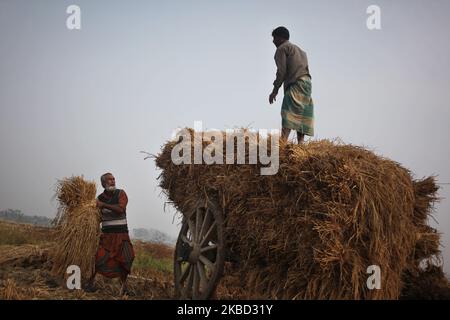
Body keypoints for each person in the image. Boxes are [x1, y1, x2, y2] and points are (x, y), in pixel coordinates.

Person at [85, 172, 135, 295]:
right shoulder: (99, 199)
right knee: (98, 258)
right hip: (107, 236)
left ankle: (124, 287)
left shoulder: (121, 194)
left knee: (127, 258)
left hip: (122, 235)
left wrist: (103, 205)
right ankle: (89, 283)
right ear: (103, 183)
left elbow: (120, 209)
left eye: (113, 179)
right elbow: (96, 217)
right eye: (109, 180)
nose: (112, 181)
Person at [269, 26, 315, 143]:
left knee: (288, 111)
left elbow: (281, 71)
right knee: (302, 113)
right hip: (307, 84)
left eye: (274, 38)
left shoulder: (282, 49)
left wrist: (275, 90)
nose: (273, 41)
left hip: (295, 83)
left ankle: (283, 142)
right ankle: (300, 144)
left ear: (280, 38)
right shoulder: (301, 51)